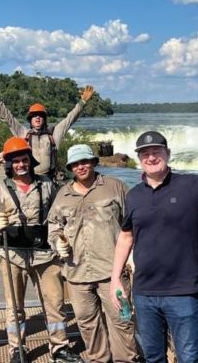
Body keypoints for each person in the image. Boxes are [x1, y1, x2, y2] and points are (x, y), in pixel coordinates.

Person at [109, 130, 198, 363]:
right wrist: (115, 280)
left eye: (156, 152)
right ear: (139, 159)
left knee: (189, 357)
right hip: (144, 292)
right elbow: (125, 237)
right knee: (153, 356)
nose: (151, 157)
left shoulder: (190, 186)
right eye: (145, 154)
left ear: (168, 154)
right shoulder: (133, 196)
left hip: (182, 292)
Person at [0, 137, 82, 363]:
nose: (21, 165)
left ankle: (59, 347)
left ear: (31, 161)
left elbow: (60, 217)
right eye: (15, 162)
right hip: (11, 255)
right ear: (8, 165)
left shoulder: (47, 185)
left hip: (45, 254)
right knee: (14, 307)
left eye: (24, 160)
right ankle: (17, 349)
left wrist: (64, 240)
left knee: (54, 304)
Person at [48, 144, 140, 363]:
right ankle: (98, 360)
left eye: (85, 161)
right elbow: (54, 226)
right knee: (87, 323)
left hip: (113, 273)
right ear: (70, 167)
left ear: (94, 162)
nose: (81, 167)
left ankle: (126, 360)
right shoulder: (63, 194)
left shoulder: (115, 187)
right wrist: (56, 242)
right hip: (77, 274)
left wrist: (133, 253)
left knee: (122, 320)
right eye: (76, 164)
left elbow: (134, 222)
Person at [0, 82, 95, 179]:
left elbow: (70, 119)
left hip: (49, 179)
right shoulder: (24, 133)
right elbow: (8, 118)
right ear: (30, 119)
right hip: (29, 179)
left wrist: (82, 102)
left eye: (40, 116)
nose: (37, 117)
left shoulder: (54, 134)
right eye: (34, 116)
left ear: (44, 119)